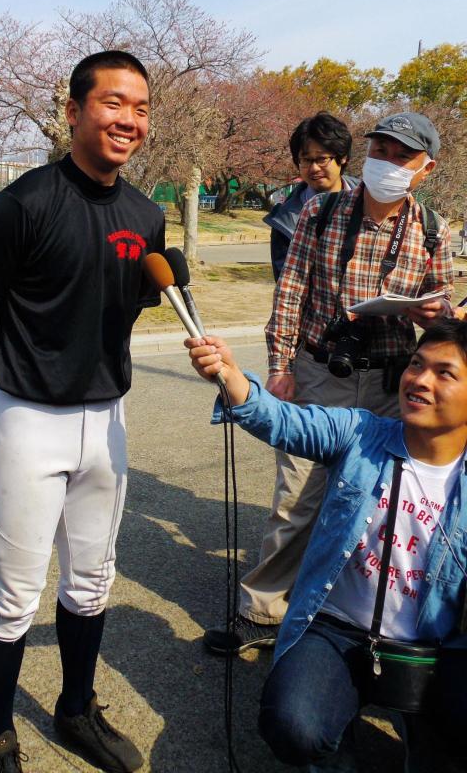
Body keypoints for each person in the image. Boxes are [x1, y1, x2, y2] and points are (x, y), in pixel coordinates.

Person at [0, 51, 165, 773]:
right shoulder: (20, 205)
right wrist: (22, 380)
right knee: (13, 596)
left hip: (107, 420)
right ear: (73, 111)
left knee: (92, 582)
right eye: (112, 103)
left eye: (139, 108)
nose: (128, 121)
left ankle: (76, 709)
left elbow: (124, 302)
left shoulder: (147, 213)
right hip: (27, 420)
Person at [205, 112, 455, 657]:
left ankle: (353, 611)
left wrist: (435, 313)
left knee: (377, 499)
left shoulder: (434, 230)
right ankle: (262, 610)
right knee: (297, 496)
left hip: (393, 385)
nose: (385, 163)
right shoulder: (319, 213)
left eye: (400, 155)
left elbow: (444, 328)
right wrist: (280, 366)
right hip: (321, 371)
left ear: (425, 167)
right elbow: (289, 294)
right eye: (379, 150)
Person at [185, 322, 467, 772]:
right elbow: (282, 420)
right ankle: (335, 748)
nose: (420, 380)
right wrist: (232, 375)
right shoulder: (361, 434)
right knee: (295, 726)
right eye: (416, 364)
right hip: (337, 630)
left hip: (431, 647)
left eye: (444, 373)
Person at [264, 112, 358, 281]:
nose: (314, 168)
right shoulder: (285, 220)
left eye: (322, 159)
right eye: (306, 160)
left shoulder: (370, 202)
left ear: (343, 157)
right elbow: (287, 282)